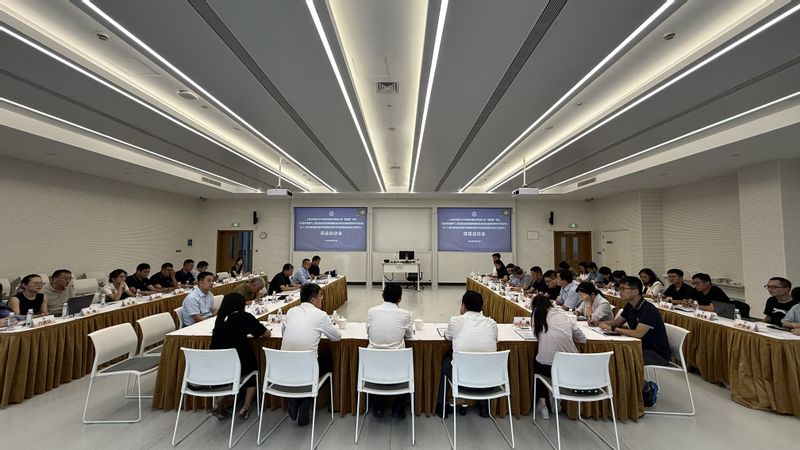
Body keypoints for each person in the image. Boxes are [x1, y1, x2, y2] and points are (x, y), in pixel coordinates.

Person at [599, 276, 670, 407]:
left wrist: (613, 329)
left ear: (635, 291)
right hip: (638, 346)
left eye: (623, 289)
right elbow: (617, 322)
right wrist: (599, 323)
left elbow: (638, 334)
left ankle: (647, 388)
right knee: (614, 357)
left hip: (656, 352)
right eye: (619, 289)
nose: (620, 292)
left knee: (621, 360)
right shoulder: (630, 306)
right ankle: (619, 394)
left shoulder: (648, 309)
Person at [281, 284, 342, 426]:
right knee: (327, 361)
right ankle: (305, 401)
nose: (322, 298)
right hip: (307, 371)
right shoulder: (320, 315)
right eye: (320, 296)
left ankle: (295, 399)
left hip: (284, 370)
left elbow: (284, 333)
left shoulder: (291, 311)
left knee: (304, 364)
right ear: (313, 300)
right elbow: (336, 337)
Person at [209, 292, 270, 420]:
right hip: (238, 362)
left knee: (230, 374)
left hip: (218, 362)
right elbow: (266, 334)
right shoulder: (244, 317)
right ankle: (245, 407)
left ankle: (218, 402)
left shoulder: (220, 317)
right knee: (252, 371)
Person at [438, 290, 498, 418]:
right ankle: (484, 407)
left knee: (445, 362)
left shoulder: (456, 321)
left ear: (463, 306)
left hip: (462, 379)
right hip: (489, 381)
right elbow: (495, 340)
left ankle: (441, 405)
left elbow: (447, 337)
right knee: (482, 362)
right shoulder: (492, 323)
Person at [531, 295, 587, 419]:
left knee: (538, 363)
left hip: (548, 366)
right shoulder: (563, 315)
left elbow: (536, 336)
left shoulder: (537, 316)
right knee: (547, 361)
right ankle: (556, 400)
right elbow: (582, 338)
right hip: (572, 365)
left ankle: (542, 404)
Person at [365, 283, 413, 418]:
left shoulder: (372, 311)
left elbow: (368, 333)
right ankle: (398, 409)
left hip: (372, 367)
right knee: (407, 367)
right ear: (400, 299)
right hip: (397, 368)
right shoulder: (405, 314)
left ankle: (378, 408)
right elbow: (409, 335)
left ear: (383, 295)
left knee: (377, 364)